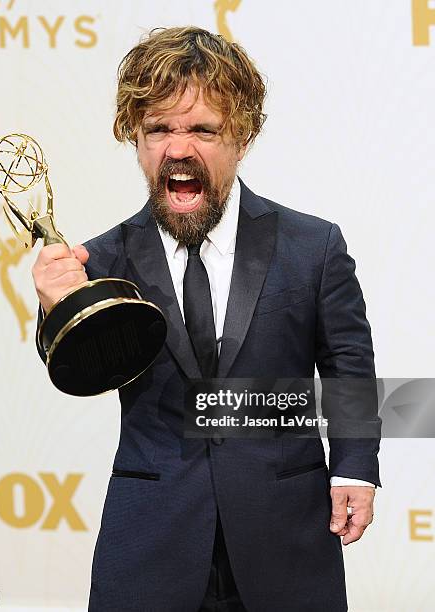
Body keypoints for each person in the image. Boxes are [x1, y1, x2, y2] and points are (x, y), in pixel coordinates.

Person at [32, 26, 381, 612]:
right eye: (159, 129)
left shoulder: (313, 246)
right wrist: (60, 310)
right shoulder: (101, 261)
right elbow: (79, 372)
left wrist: (356, 468)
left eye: (202, 129)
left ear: (242, 137)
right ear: (134, 140)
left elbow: (348, 364)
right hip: (151, 543)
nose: (177, 148)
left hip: (286, 539)